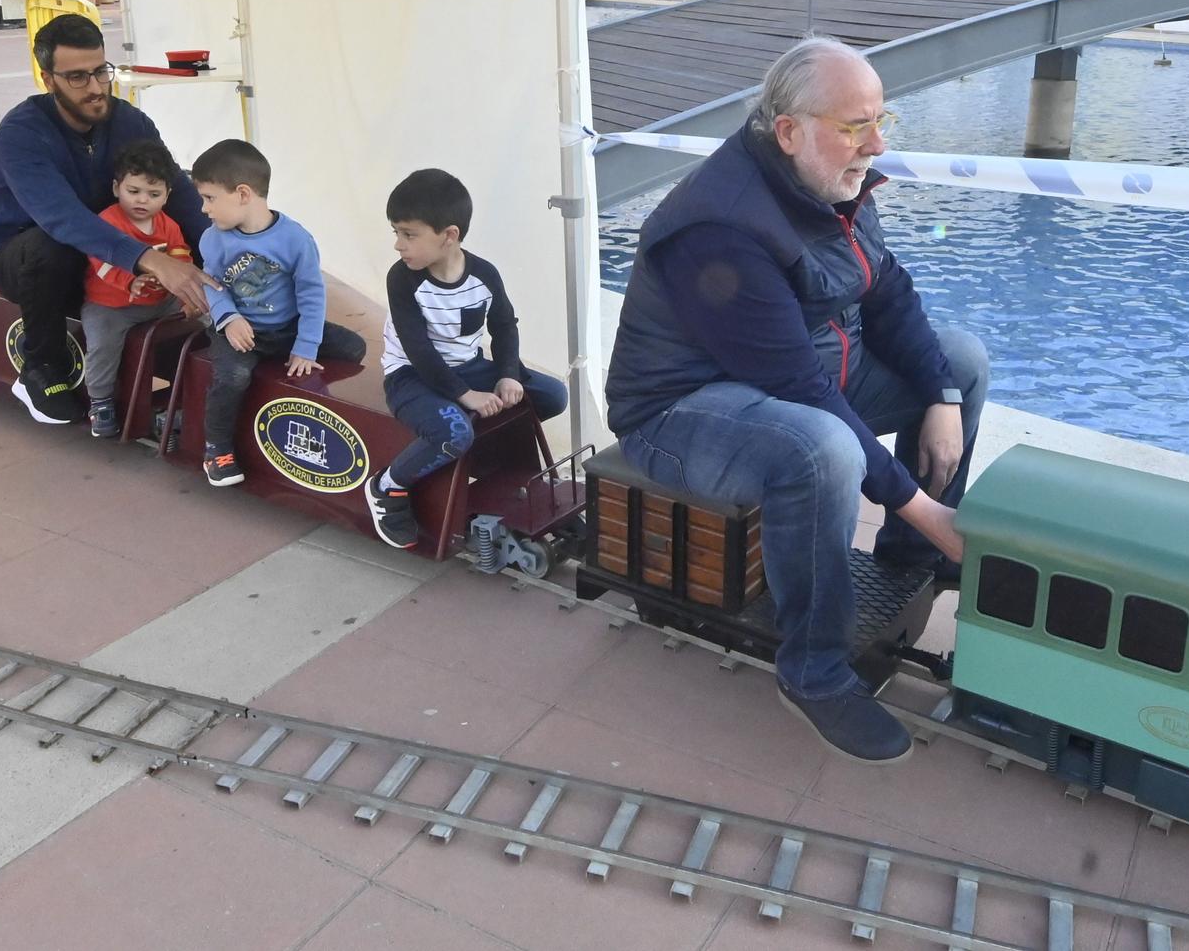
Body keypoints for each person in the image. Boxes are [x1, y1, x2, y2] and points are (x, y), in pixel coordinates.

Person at [604, 37, 989, 766]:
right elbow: (799, 389)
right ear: (788, 131)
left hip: (793, 370)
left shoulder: (831, 178)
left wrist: (940, 394)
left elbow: (889, 287)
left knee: (962, 361)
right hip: (681, 409)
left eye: (882, 121)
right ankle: (811, 669)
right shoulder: (721, 223)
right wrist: (924, 502)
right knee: (822, 450)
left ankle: (914, 558)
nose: (874, 143)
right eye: (854, 126)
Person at [0, 13, 213, 425]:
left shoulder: (129, 121)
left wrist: (224, 252)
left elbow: (174, 187)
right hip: (28, 257)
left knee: (195, 233)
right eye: (77, 78)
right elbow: (63, 219)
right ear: (47, 78)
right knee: (52, 246)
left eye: (101, 72)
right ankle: (40, 367)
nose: (95, 88)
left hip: (107, 257)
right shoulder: (20, 133)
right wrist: (153, 260)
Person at [371, 168, 568, 551]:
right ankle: (387, 487)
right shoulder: (403, 279)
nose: (398, 245)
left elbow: (505, 327)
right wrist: (466, 394)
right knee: (455, 432)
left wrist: (508, 375)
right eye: (396, 232)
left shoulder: (484, 275)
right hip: (412, 375)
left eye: (408, 235)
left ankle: (490, 457)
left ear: (449, 236)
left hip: (469, 366)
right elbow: (418, 350)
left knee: (552, 395)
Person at [191, 139, 367, 491]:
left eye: (210, 198)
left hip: (286, 330)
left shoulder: (296, 239)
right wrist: (228, 319)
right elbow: (211, 283)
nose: (203, 208)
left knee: (353, 346)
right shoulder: (214, 238)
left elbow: (312, 294)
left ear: (243, 193)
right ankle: (217, 449)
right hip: (241, 332)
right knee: (234, 377)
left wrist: (306, 345)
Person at [80, 138, 194, 439]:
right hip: (112, 305)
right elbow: (100, 263)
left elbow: (180, 251)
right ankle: (100, 400)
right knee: (102, 342)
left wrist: (185, 291)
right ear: (117, 188)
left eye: (153, 194)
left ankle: (190, 390)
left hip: (160, 302)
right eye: (134, 191)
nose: (142, 200)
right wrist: (130, 281)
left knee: (202, 321)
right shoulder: (107, 221)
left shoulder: (167, 224)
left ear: (167, 195)